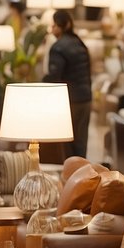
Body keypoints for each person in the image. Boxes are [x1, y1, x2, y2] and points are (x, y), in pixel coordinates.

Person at [46, 9, 92, 159]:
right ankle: (82, 175)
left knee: (67, 143)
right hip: (85, 98)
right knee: (81, 141)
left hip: (70, 100)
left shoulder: (58, 47)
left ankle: (69, 176)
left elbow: (54, 76)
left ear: (63, 26)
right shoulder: (80, 42)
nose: (52, 30)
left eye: (54, 26)